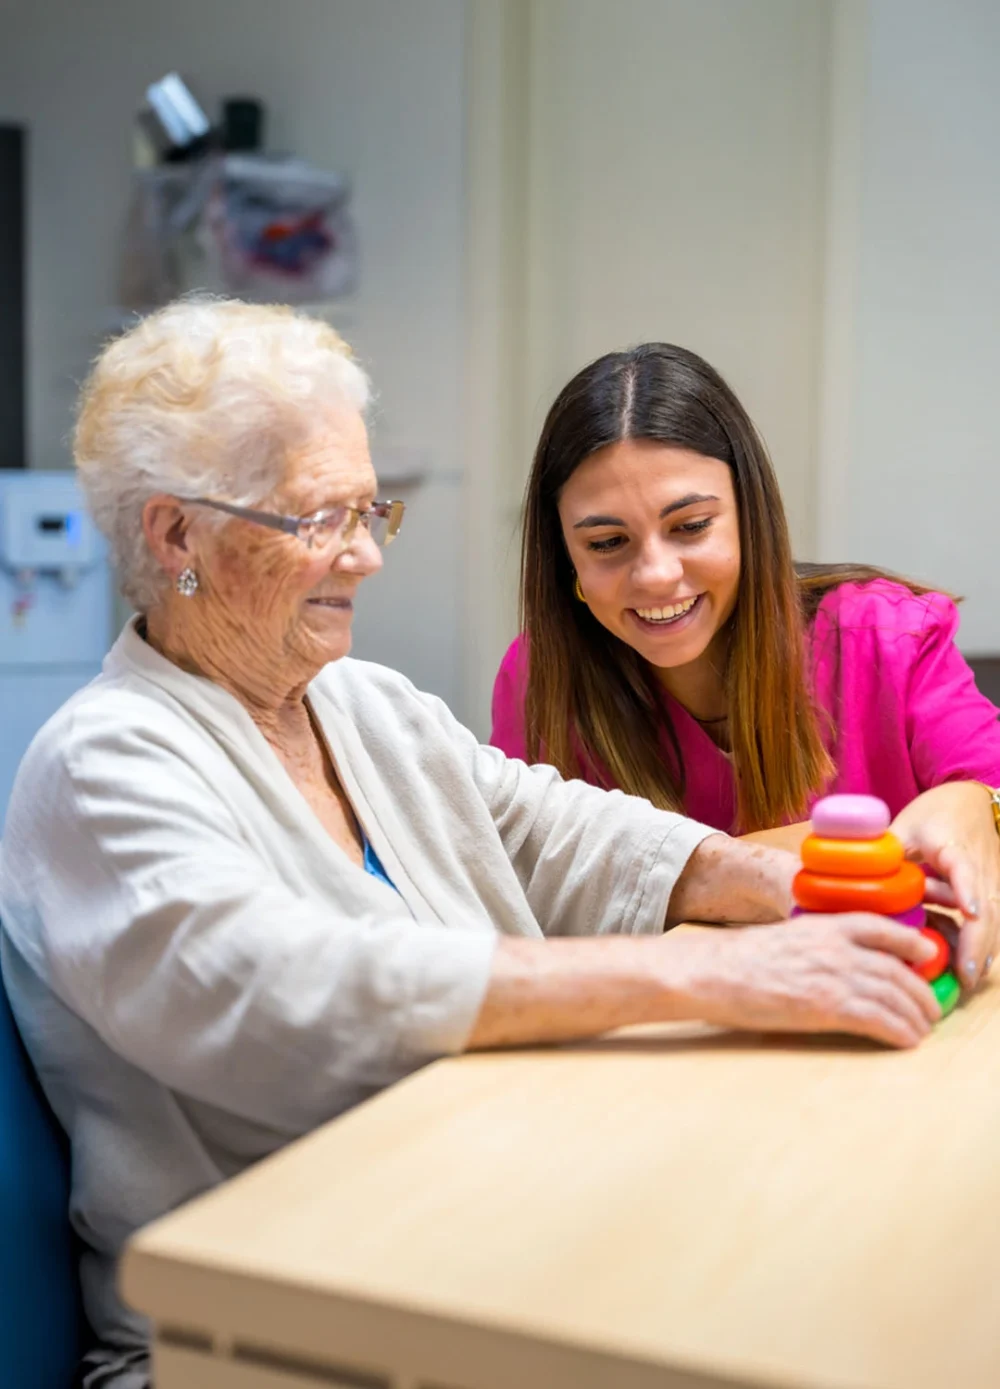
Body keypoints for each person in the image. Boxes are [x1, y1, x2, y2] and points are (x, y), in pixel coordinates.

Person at [0, 302, 939, 1389]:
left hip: (461, 1237)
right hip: (264, 1332)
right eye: (320, 519)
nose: (366, 555)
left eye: (370, 511)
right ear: (177, 537)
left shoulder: (358, 703)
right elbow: (297, 989)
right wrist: (711, 969)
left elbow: (545, 825)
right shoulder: (104, 765)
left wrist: (770, 882)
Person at [491, 342, 1000, 986]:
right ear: (566, 557)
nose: (655, 575)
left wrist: (976, 802)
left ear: (749, 515)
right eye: (607, 543)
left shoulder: (890, 638)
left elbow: (989, 792)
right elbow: (524, 899)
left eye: (691, 525)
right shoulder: (540, 683)